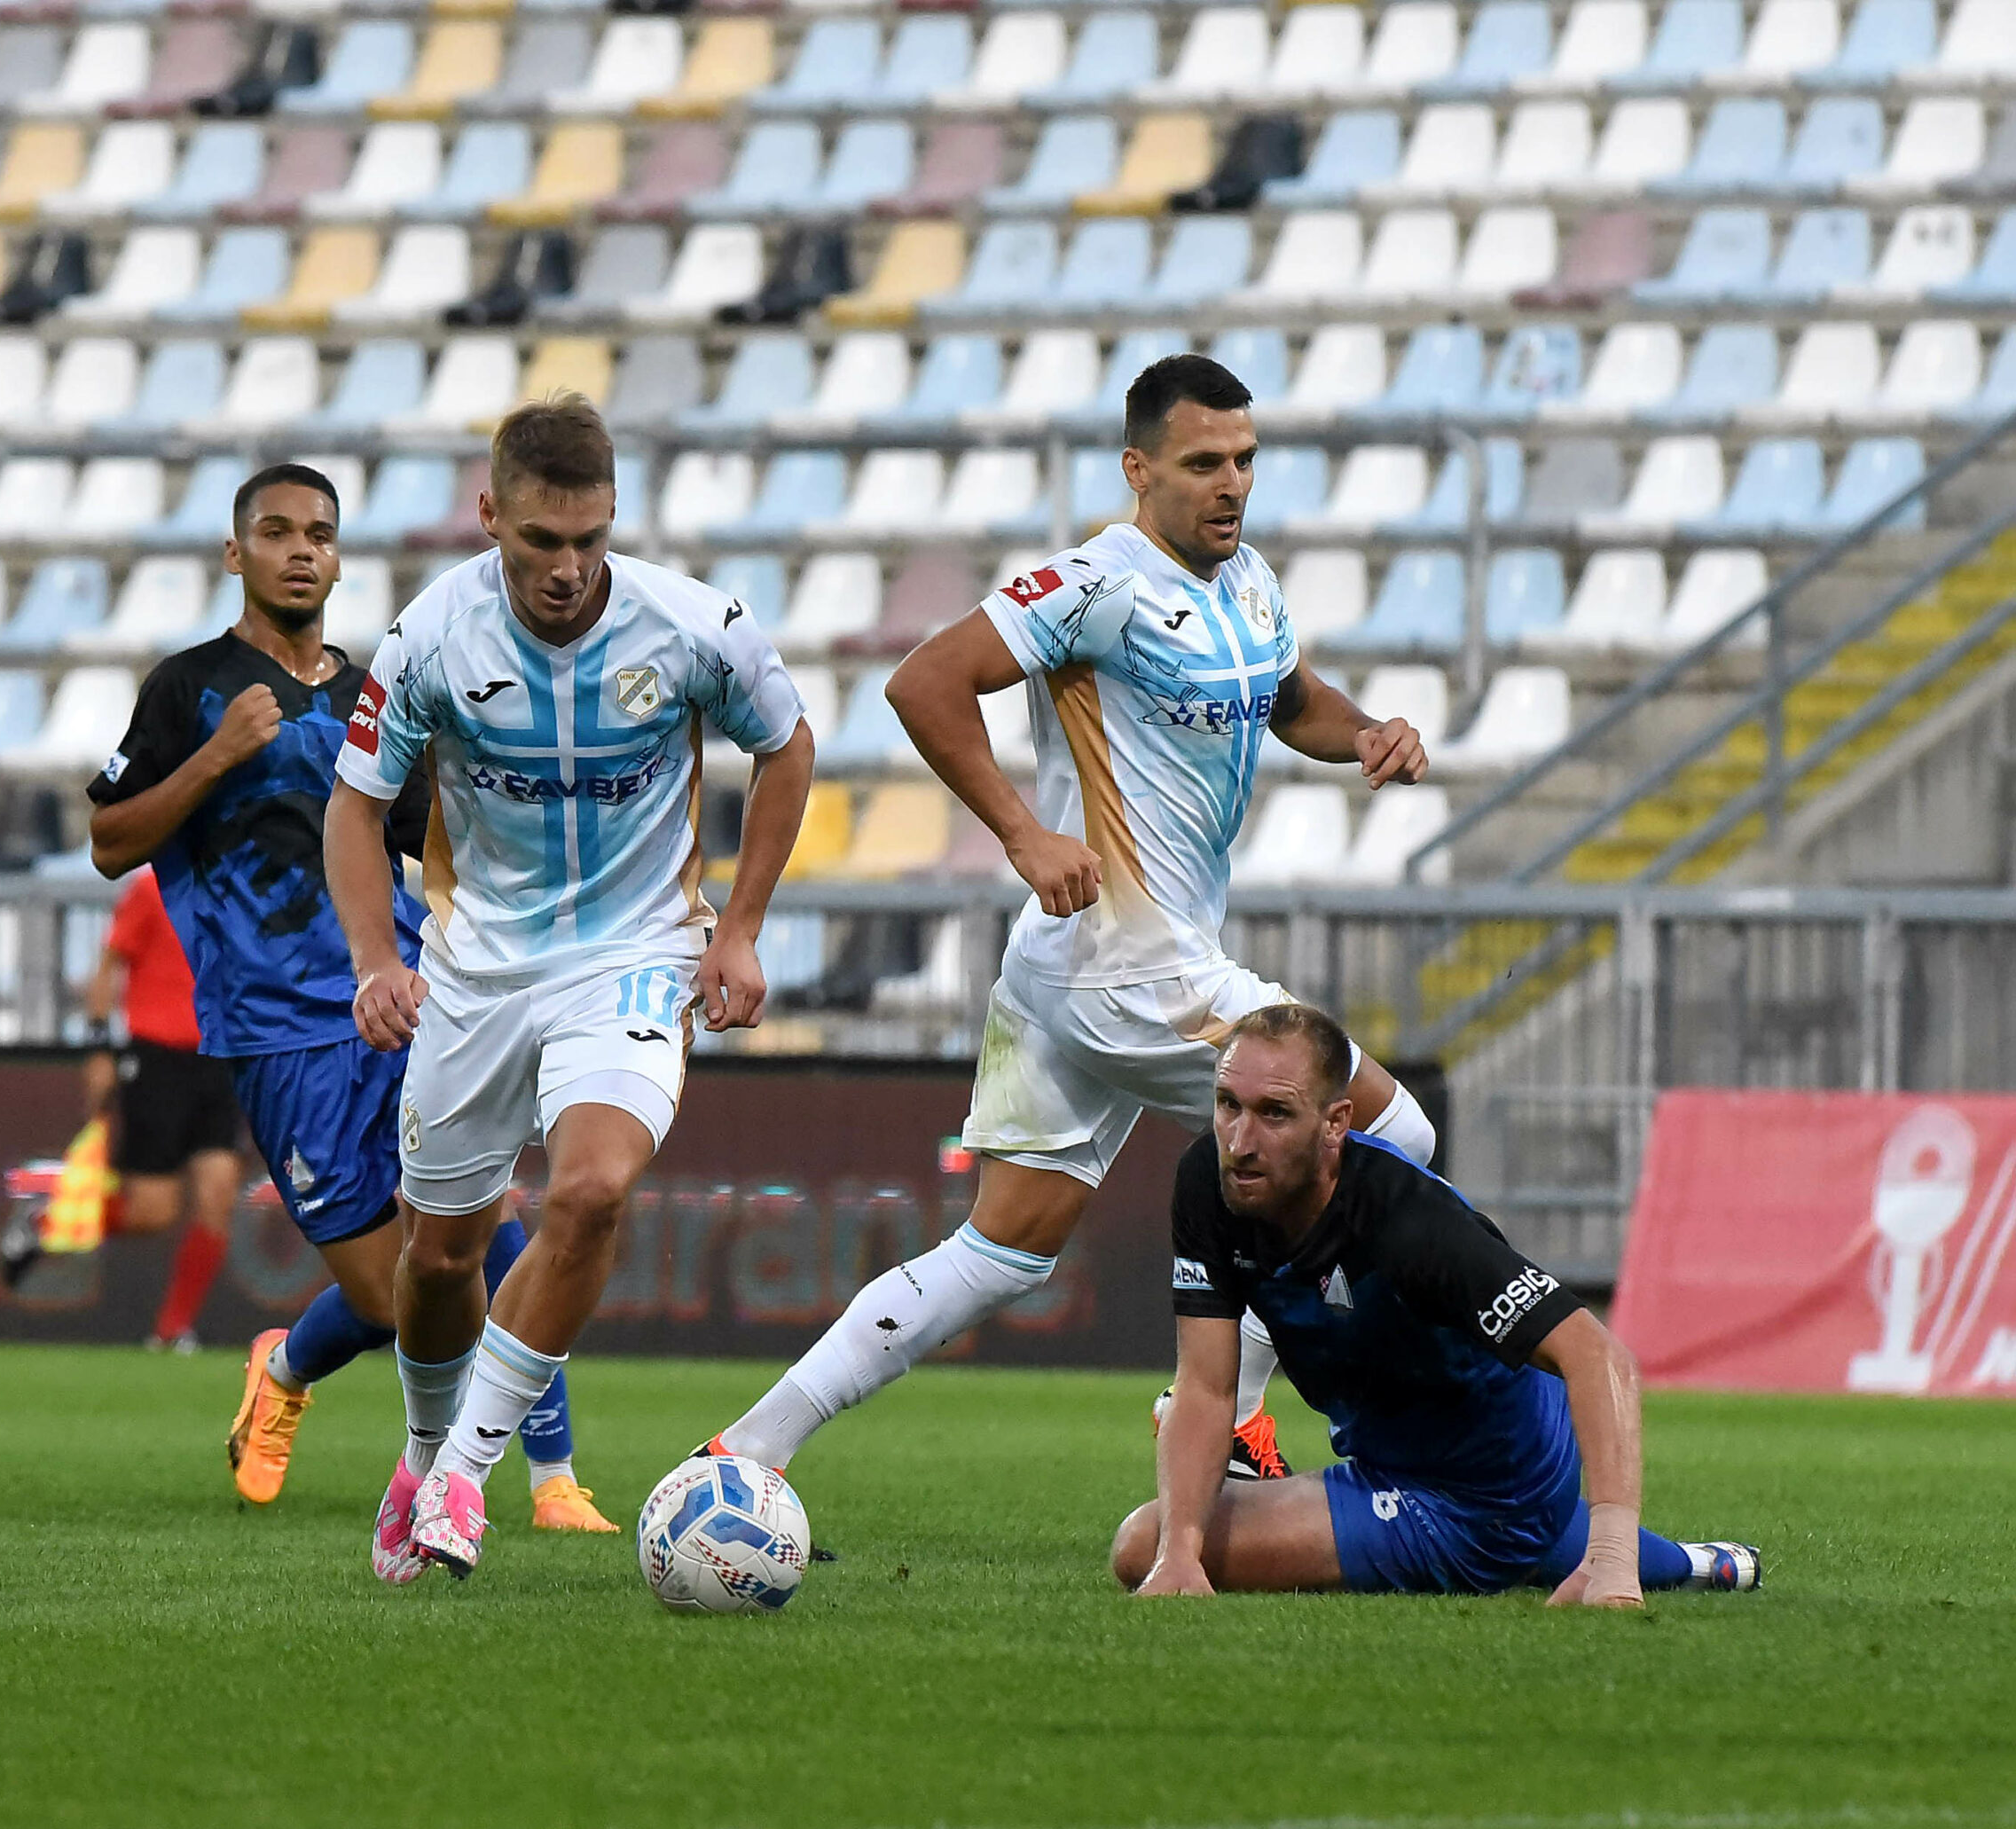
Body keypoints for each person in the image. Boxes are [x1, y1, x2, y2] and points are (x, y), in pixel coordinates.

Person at [706, 352, 1433, 1480]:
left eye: (1244, 460)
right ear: (1139, 469)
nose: (1230, 484)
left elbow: (1291, 700)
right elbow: (924, 681)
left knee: (1003, 1247)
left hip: (1072, 971)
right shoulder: (1098, 582)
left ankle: (749, 1447)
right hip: (1128, 966)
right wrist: (1020, 832)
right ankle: (1232, 1421)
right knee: (1390, 1133)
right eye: (1202, 463)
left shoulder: (1248, 582)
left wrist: (1366, 731)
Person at [327, 392, 814, 1584]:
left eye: (590, 538)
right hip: (479, 964)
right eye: (541, 540)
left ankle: (462, 1479)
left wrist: (738, 931)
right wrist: (373, 964)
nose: (567, 566)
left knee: (592, 1190)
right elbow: (351, 804)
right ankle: (422, 1450)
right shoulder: (431, 637)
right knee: (436, 1256)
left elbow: (787, 742)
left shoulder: (692, 625)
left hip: (634, 951)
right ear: (490, 514)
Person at [86, 461, 609, 1534]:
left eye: (317, 533)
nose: (298, 549)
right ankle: (287, 1364)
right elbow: (108, 841)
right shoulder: (187, 688)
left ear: (337, 554)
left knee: (485, 1218)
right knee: (394, 1297)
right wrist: (215, 757)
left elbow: (431, 833)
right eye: (274, 531)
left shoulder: (375, 689)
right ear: (237, 553)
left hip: (404, 992)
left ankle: (553, 1477)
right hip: (276, 1027)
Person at [1113, 1001, 1761, 1602]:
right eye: (1228, 1104)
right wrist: (1182, 1555)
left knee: (1136, 1545)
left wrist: (1614, 1559)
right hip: (1395, 1462)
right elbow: (1202, 1384)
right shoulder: (1212, 1181)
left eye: (1275, 1113)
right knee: (1164, 1545)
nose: (1241, 1139)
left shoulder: (1409, 1223)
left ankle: (1592, 1550)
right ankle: (1700, 1564)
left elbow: (1599, 1356)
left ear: (1336, 1123)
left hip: (1482, 1496)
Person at [86, 864, 242, 1352]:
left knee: (218, 1195)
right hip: (157, 1058)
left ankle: (173, 1328)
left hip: (220, 1059)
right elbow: (111, 961)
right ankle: (57, 1224)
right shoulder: (153, 887)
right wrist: (98, 1047)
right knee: (151, 1213)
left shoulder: (241, 889)